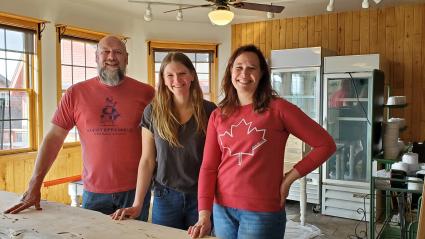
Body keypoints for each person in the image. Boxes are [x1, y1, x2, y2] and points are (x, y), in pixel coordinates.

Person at [188, 45, 336, 239]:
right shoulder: (218, 115)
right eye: (239, 67)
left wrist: (289, 178)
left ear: (262, 74)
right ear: (231, 71)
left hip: (262, 211)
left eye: (252, 68)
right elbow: (208, 167)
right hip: (222, 209)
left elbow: (325, 144)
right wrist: (204, 214)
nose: (244, 73)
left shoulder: (279, 108)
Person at [4, 35, 154, 221]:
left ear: (126, 58)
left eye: (118, 52)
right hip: (94, 192)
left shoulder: (147, 93)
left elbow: (162, 139)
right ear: (96, 57)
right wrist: (35, 183)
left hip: (136, 191)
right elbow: (54, 138)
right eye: (105, 52)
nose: (111, 57)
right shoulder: (75, 94)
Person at [111, 52, 216, 230]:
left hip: (201, 197)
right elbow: (147, 160)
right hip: (165, 196)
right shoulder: (152, 112)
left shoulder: (210, 111)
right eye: (170, 75)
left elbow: (216, 161)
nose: (177, 79)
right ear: (164, 80)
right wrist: (137, 204)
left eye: (182, 73)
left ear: (192, 75)